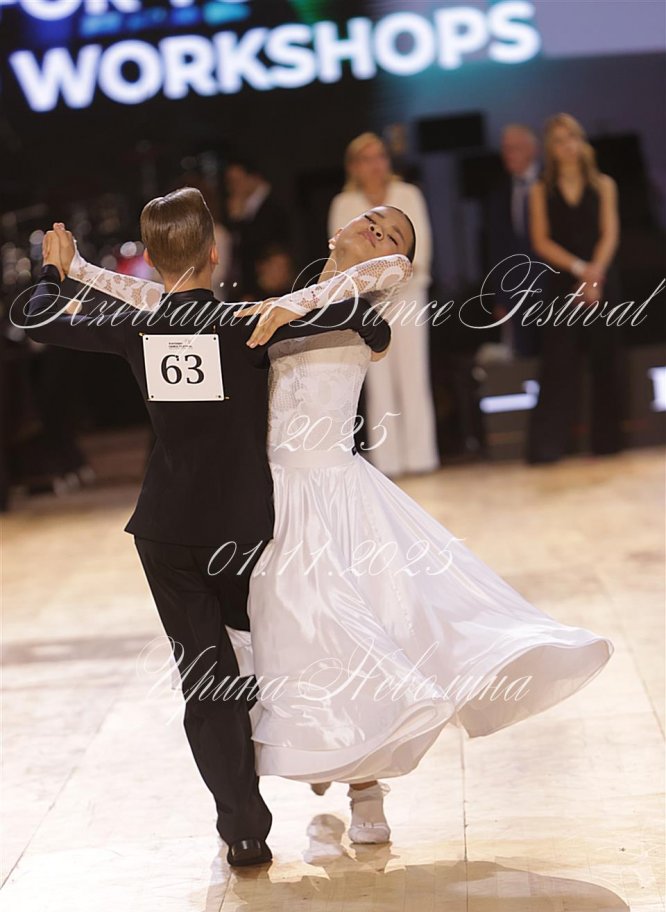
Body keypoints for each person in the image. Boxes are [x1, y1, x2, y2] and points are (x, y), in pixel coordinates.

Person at [82, 205, 614, 846]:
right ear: (335, 229)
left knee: (356, 635)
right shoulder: (272, 306)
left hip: (332, 498)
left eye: (394, 234)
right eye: (371, 220)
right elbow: (165, 297)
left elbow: (369, 276)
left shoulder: (368, 298)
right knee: (285, 646)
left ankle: (366, 791)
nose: (378, 231)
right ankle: (312, 764)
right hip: (262, 497)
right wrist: (80, 270)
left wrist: (287, 307)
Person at [18, 189, 393, 867]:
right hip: (244, 528)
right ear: (215, 254)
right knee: (265, 656)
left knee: (207, 679)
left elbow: (31, 313)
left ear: (151, 259)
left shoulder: (135, 326)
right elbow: (366, 318)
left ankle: (244, 830)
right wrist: (292, 306)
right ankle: (327, 759)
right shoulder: (248, 324)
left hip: (167, 529)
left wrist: (57, 269)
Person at [329, 133, 439, 477]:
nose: (375, 165)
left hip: (408, 294)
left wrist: (394, 273)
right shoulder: (344, 203)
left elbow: (420, 250)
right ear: (353, 167)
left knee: (414, 375)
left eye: (380, 156)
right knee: (377, 380)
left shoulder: (408, 195)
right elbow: (342, 254)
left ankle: (421, 457)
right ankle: (387, 461)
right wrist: (371, 281)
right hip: (367, 300)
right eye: (366, 159)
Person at [527, 113, 623, 463]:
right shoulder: (540, 190)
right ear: (550, 149)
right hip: (561, 281)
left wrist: (595, 274)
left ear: (582, 142)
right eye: (559, 140)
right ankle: (547, 448)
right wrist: (580, 270)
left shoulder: (604, 185)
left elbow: (610, 233)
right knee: (558, 363)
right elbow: (541, 241)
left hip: (602, 279)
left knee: (605, 359)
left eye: (572, 138)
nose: (567, 146)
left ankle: (608, 443)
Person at [484, 123, 541, 358]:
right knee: (523, 358)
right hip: (517, 291)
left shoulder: (551, 184)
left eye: (515, 148)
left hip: (555, 288)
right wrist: (501, 298)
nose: (508, 155)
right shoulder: (498, 194)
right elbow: (497, 251)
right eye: (505, 149)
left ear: (532, 149)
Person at [222, 159, 289, 301]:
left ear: (253, 178)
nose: (233, 187)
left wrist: (239, 221)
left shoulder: (274, 205)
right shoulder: (239, 206)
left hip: (270, 286)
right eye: (230, 182)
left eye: (237, 181)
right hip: (249, 286)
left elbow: (255, 247)